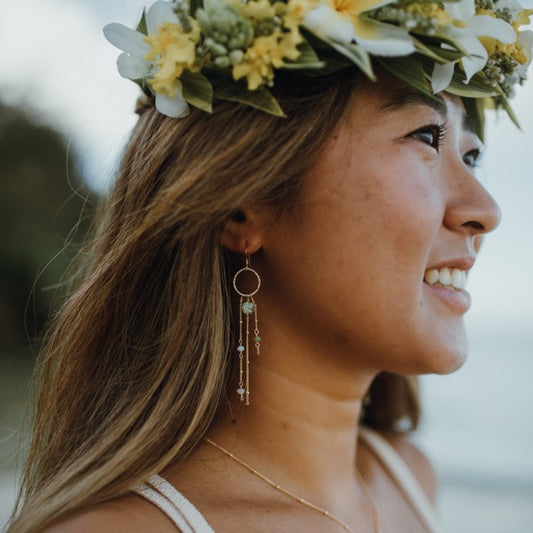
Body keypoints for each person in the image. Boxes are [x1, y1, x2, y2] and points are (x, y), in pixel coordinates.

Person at [7, 0, 532, 532]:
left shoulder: (407, 480)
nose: (485, 211)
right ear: (242, 206)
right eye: (425, 136)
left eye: (470, 156)